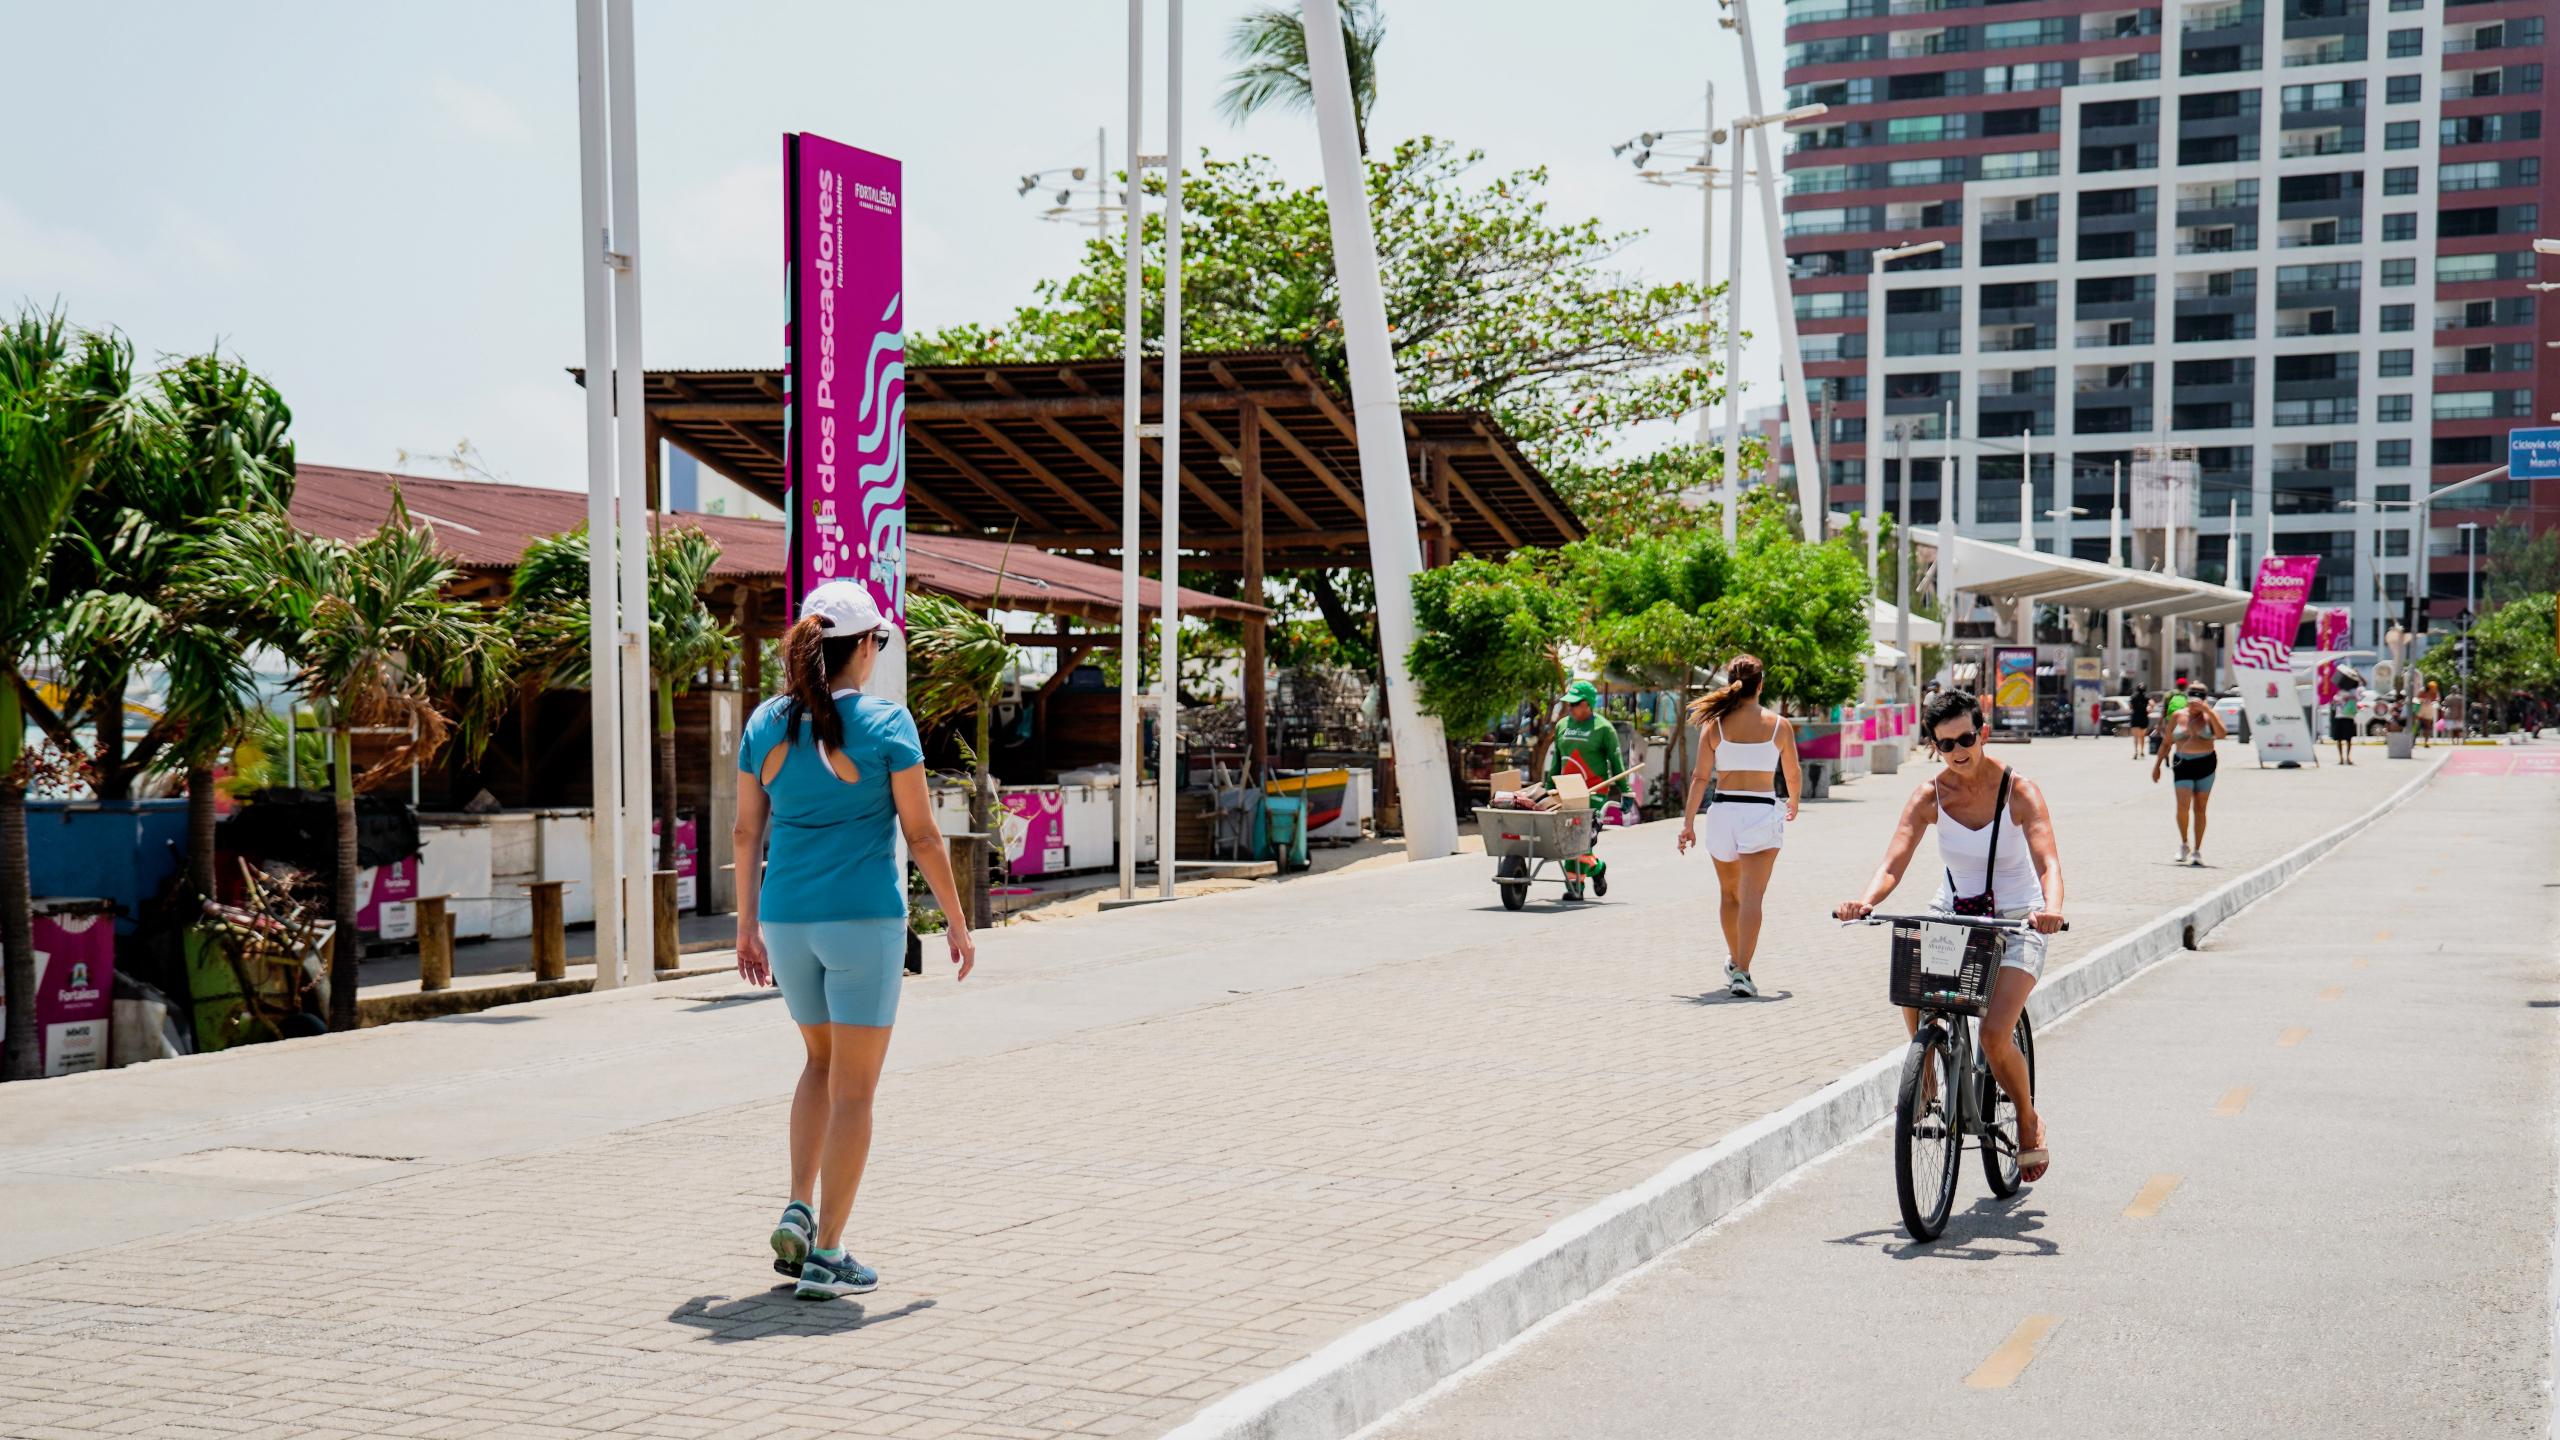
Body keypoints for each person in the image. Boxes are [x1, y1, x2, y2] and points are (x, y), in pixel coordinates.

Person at [734, 581, 977, 1301]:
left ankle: (798, 1207)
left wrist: (745, 926)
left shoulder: (766, 723)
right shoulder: (886, 723)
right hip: (862, 923)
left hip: (784, 921)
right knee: (856, 1090)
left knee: (819, 1062)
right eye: (880, 640)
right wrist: (957, 921)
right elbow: (923, 835)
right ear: (866, 645)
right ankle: (828, 1255)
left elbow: (746, 831)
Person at [1834, 689, 2066, 1180]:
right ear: (1933, 746)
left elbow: (2047, 861)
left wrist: (2052, 910)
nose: (1958, 750)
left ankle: (2028, 1118)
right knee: (1912, 977)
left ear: (1983, 733)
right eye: (1945, 743)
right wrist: (1865, 901)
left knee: (1995, 1033)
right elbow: (1893, 862)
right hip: (1955, 911)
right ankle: (1927, 1076)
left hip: (2019, 917)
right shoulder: (1930, 795)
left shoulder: (2019, 790)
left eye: (1965, 738)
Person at [1677, 655, 1803, 997]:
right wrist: (1794, 799)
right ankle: (1743, 973)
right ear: (1760, 685)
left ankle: (1735, 961)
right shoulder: (1779, 725)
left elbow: (1700, 777)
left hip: (1722, 813)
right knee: (1752, 898)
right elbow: (1791, 773)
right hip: (1760, 812)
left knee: (1730, 894)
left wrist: (1688, 823)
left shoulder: (1715, 724)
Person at [1545, 679, 1628, 896]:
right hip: (1566, 791)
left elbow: (1617, 763)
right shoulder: (1562, 726)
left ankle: (1575, 888)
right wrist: (1547, 790)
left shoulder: (1604, 729)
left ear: (1588, 704)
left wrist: (1626, 792)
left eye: (1574, 704)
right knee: (1569, 837)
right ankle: (1597, 868)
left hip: (1594, 791)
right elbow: (1556, 762)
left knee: (1579, 837)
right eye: (1568, 704)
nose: (1570, 708)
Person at [2152, 682, 2229, 865]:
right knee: (2182, 807)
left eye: (2199, 698)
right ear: (2186, 698)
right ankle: (2184, 843)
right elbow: (2166, 742)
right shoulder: (2178, 716)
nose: (2195, 703)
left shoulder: (2210, 715)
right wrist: (2157, 765)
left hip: (2205, 763)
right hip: (2182, 763)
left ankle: (2197, 850)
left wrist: (2208, 712)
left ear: (2204, 699)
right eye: (2192, 698)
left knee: (2200, 808)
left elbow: (2222, 734)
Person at [2325, 669, 2362, 765]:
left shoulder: (2353, 691)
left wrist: (2347, 698)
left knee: (2346, 739)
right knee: (2342, 738)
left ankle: (2345, 758)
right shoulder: (2341, 691)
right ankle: (2343, 758)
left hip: (2345, 716)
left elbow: (2356, 698)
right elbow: (2335, 699)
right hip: (2343, 716)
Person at [2127, 683, 2151, 759]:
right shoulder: (2146, 697)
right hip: (2143, 717)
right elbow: (2152, 704)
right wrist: (2149, 710)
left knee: (2136, 737)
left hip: (2135, 717)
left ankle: (2136, 750)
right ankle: (2142, 751)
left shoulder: (2133, 697)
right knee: (2142, 736)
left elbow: (2130, 707)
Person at [2417, 678, 2441, 747]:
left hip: (2430, 707)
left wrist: (2435, 700)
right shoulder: (2423, 691)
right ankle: (2413, 739)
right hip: (2421, 707)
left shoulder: (2435, 692)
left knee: (2427, 726)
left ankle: (2426, 742)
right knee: (2416, 723)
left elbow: (2438, 698)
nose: (2433, 689)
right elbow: (2417, 698)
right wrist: (2423, 700)